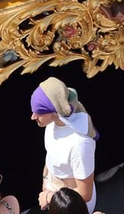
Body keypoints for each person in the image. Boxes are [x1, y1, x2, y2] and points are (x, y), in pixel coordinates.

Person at [32, 78, 98, 212]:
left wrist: (50, 197)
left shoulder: (79, 145)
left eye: (39, 112)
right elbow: (50, 154)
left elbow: (85, 193)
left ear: (54, 111)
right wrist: (45, 180)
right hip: (55, 198)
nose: (33, 116)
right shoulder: (52, 125)